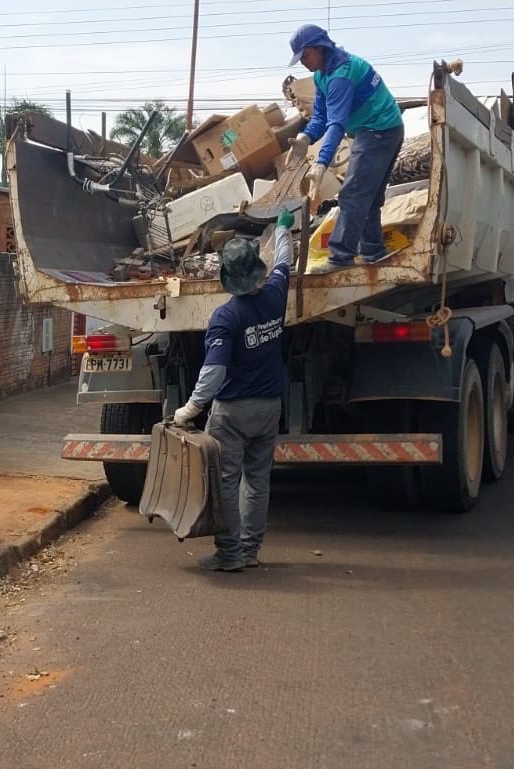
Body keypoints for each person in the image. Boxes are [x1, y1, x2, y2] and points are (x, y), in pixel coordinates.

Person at [173, 208, 295, 571]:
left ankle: (230, 555)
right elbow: (284, 262)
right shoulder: (275, 294)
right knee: (257, 481)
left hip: (233, 413)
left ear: (228, 278)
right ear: (258, 269)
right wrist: (284, 229)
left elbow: (214, 371)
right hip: (270, 407)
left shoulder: (227, 317)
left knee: (225, 481)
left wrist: (190, 409)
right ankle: (250, 550)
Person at [286, 24, 404, 274]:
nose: (302, 63)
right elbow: (320, 117)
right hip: (380, 129)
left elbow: (337, 123)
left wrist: (322, 162)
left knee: (352, 194)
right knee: (367, 197)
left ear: (318, 48)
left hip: (378, 130)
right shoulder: (322, 74)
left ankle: (340, 259)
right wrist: (305, 138)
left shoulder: (342, 73)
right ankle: (374, 253)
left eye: (304, 56)